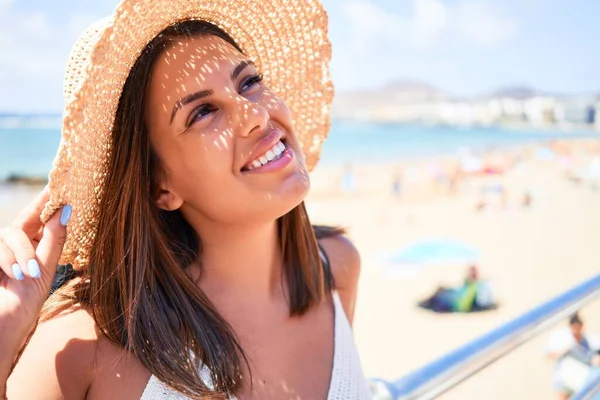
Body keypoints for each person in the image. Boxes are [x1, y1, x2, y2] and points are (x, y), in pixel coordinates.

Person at [0, 1, 371, 399]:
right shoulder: (87, 343)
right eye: (204, 112)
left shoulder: (335, 268)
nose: (255, 116)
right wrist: (5, 334)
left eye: (248, 82)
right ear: (160, 185)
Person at [547, 313, 600, 400]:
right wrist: (562, 352)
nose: (576, 331)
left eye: (578, 327)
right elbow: (549, 355)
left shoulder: (589, 338)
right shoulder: (563, 338)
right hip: (565, 378)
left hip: (584, 377)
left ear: (581, 326)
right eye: (574, 328)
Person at [418, 265, 495, 313]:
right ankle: (427, 301)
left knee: (440, 290)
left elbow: (467, 298)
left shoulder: (476, 285)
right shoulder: (476, 284)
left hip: (458, 303)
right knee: (442, 288)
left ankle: (427, 302)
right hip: (459, 298)